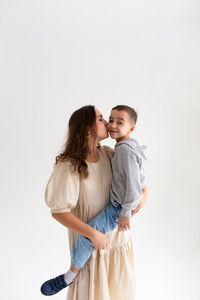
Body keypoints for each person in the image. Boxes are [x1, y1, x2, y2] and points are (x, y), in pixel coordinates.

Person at [41, 105, 148, 300]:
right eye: (101, 118)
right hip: (92, 248)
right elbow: (58, 212)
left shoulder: (109, 154)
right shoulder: (69, 165)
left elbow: (135, 178)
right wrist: (93, 234)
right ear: (87, 128)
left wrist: (144, 195)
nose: (108, 123)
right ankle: (69, 276)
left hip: (117, 244)